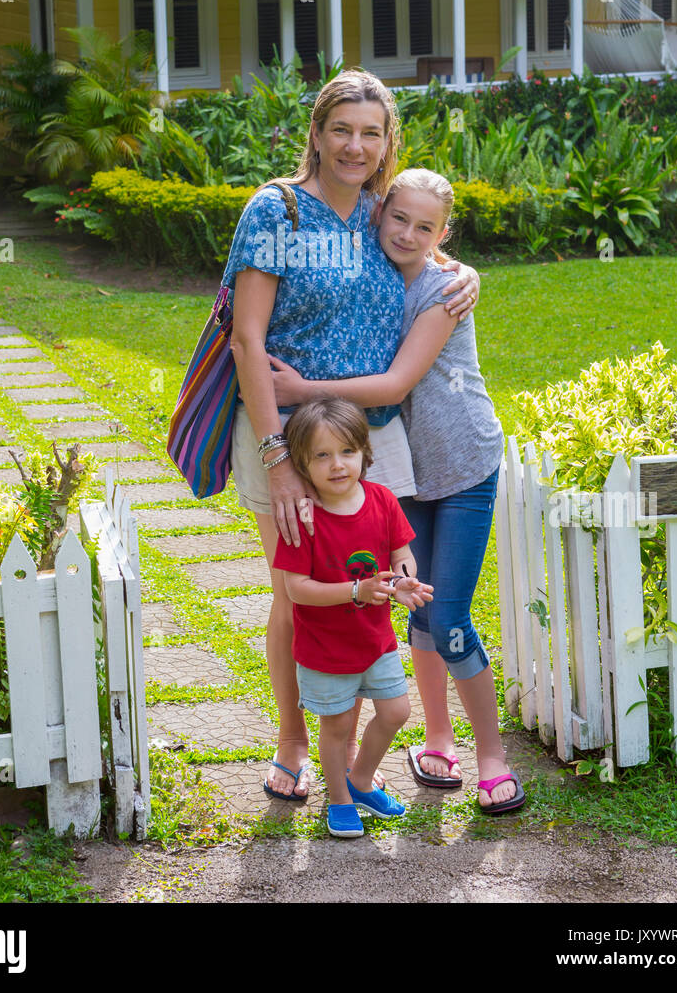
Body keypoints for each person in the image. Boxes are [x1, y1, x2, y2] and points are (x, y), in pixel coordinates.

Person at [223, 71, 480, 800]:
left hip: (373, 440)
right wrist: (277, 460)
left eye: (371, 133)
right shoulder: (277, 211)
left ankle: (351, 755)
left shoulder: (377, 214)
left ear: (387, 142)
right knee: (295, 594)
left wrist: (466, 274)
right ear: (317, 130)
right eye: (343, 129)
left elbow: (426, 248)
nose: (355, 146)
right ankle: (294, 741)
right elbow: (247, 340)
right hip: (288, 436)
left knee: (373, 585)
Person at [270, 168, 525, 814]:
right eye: (399, 219)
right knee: (417, 603)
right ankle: (437, 740)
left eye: (426, 226)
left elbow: (393, 385)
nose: (408, 233)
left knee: (450, 615)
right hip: (404, 469)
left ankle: (491, 755)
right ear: (379, 213)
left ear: (444, 235)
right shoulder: (373, 276)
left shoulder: (445, 289)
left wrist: (301, 395)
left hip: (463, 464)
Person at [272, 397, 434, 837]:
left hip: (375, 642)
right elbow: (295, 589)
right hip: (324, 649)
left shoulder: (381, 500)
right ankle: (339, 800)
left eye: (346, 451)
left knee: (397, 711)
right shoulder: (304, 520)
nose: (337, 464)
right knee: (339, 725)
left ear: (365, 452)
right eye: (321, 456)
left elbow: (403, 556)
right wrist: (355, 591)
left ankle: (360, 780)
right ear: (303, 466)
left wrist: (404, 583)